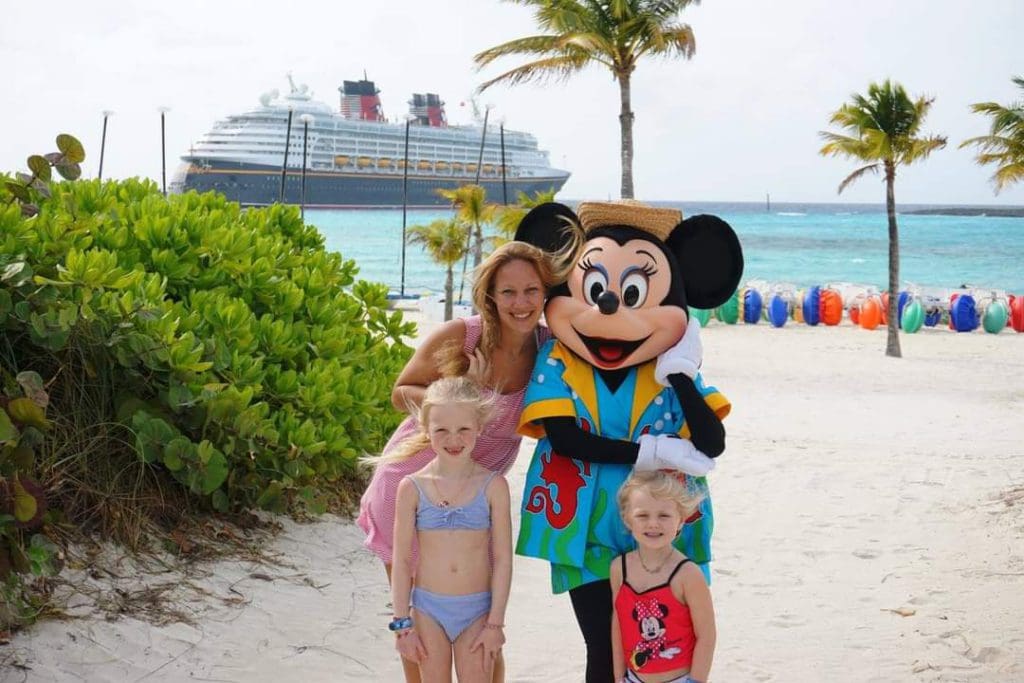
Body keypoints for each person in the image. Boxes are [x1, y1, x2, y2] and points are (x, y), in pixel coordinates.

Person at [358, 237, 572, 682]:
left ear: (546, 293)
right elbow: (402, 392)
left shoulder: (550, 348)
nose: (521, 303)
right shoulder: (463, 336)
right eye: (508, 292)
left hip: (480, 490)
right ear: (491, 296)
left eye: (531, 291)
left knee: (483, 623)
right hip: (413, 478)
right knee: (416, 619)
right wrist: (461, 395)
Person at [386, 377, 512, 682]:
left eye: (463, 429)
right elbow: (401, 562)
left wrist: (495, 624)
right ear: (425, 430)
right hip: (428, 610)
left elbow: (504, 560)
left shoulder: (494, 486)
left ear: (479, 428)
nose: (453, 439)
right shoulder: (412, 487)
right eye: (441, 429)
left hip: (478, 612)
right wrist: (402, 625)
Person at [611, 471, 716, 683]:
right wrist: (618, 675)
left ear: (680, 520)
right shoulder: (619, 568)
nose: (653, 524)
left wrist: (696, 680)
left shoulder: (688, 574)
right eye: (642, 515)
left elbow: (707, 635)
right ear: (627, 519)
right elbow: (618, 624)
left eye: (664, 516)